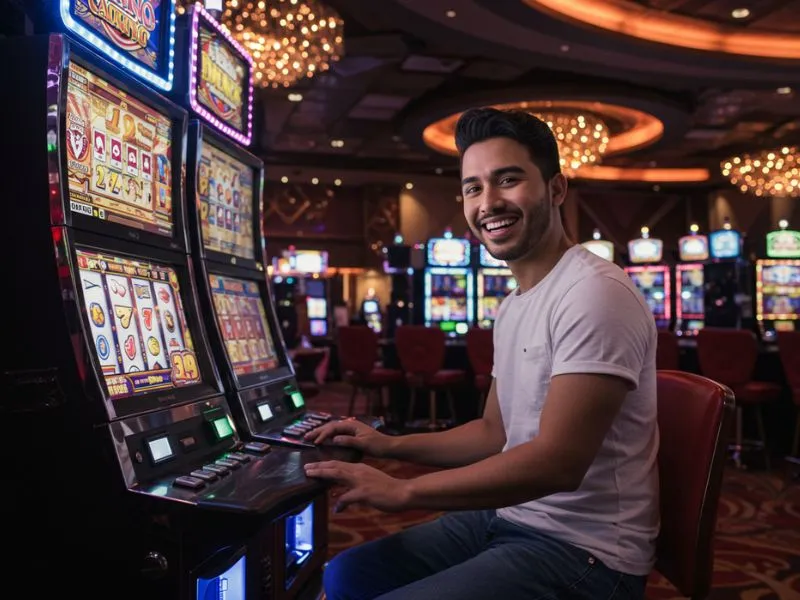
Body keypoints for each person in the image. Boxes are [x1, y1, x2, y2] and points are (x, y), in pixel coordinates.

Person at [303, 107, 659, 599]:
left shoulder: (594, 292)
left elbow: (559, 463)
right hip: (511, 515)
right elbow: (494, 433)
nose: (488, 202)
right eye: (473, 187)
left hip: (584, 550)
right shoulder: (513, 305)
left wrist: (404, 490)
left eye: (507, 180)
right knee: (345, 575)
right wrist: (388, 444)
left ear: (556, 190)